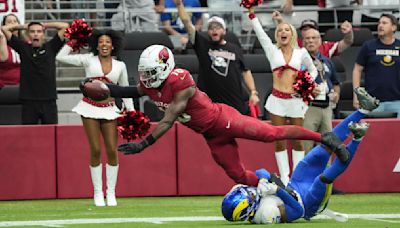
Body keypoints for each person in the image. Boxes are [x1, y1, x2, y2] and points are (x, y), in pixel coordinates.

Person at [81, 44, 351, 188]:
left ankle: (325, 138)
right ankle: (275, 186)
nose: (147, 78)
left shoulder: (181, 82)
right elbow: (126, 89)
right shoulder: (152, 84)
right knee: (237, 174)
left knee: (270, 134)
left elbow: (168, 119)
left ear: (165, 67)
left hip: (223, 119)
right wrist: (97, 87)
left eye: (152, 72)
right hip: (211, 134)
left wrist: (144, 144)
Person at [221, 88, 379, 223]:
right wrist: (277, 190)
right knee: (322, 179)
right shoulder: (265, 215)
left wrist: (262, 180)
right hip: (308, 204)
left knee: (324, 148)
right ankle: (357, 138)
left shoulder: (252, 197)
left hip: (297, 183)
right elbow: (297, 211)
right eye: (249, 195)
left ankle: (363, 110)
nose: (251, 192)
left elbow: (261, 172)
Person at [56, 30, 134, 207]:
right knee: (96, 150)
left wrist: (130, 111)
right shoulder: (88, 60)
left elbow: (125, 89)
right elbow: (60, 57)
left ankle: (111, 192)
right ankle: (98, 193)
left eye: (107, 42)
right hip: (89, 108)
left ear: (113, 45)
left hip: (110, 109)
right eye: (101, 42)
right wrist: (74, 40)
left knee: (112, 150)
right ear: (96, 45)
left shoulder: (120, 65)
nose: (104, 44)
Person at [246, 7, 318, 185]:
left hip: (295, 101)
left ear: (292, 34)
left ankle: (297, 177)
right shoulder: (272, 51)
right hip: (277, 101)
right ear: (277, 35)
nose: (282, 32)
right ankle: (285, 178)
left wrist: (307, 83)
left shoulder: (301, 52)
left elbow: (313, 69)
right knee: (278, 140)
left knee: (298, 141)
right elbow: (261, 33)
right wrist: (252, 14)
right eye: (279, 30)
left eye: (286, 30)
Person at [174, 0, 260, 116]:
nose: (214, 29)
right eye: (211, 27)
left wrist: (253, 92)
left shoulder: (234, 48)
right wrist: (179, 5)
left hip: (235, 103)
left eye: (218, 27)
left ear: (224, 30)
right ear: (208, 32)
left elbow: (245, 71)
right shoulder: (202, 45)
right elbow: (187, 23)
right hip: (210, 105)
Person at [1, 20, 69, 124]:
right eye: (32, 32)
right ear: (28, 35)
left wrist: (45, 25)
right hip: (29, 100)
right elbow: (4, 29)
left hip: (48, 99)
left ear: (43, 34)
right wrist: (24, 26)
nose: (36, 34)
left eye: (39, 31)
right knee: (28, 134)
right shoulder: (23, 48)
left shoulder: (51, 47)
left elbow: (65, 26)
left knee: (50, 133)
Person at [353, 13, 400, 117]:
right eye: (379, 23)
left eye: (384, 23)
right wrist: (356, 95)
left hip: (398, 101)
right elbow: (357, 69)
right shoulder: (368, 46)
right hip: (372, 101)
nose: (380, 26)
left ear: (393, 27)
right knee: (374, 133)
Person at [302, 28, 341, 153]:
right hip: (308, 107)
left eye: (314, 38)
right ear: (303, 42)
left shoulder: (327, 61)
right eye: (307, 38)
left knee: (328, 145)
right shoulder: (298, 61)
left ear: (320, 42)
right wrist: (308, 90)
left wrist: (336, 94)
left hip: (326, 108)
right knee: (306, 146)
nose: (311, 41)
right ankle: (306, 173)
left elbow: (336, 83)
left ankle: (325, 172)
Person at [272, 11, 354, 59]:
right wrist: (280, 21)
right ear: (301, 33)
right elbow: (285, 33)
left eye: (311, 29)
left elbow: (347, 42)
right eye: (305, 29)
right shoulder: (295, 44)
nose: (308, 31)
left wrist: (349, 32)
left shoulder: (326, 47)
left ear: (318, 32)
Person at [0, 14, 23, 89]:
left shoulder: (25, 44)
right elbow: (3, 59)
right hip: (3, 87)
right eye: (9, 22)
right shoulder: (2, 44)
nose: (13, 23)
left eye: (15, 21)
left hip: (23, 87)